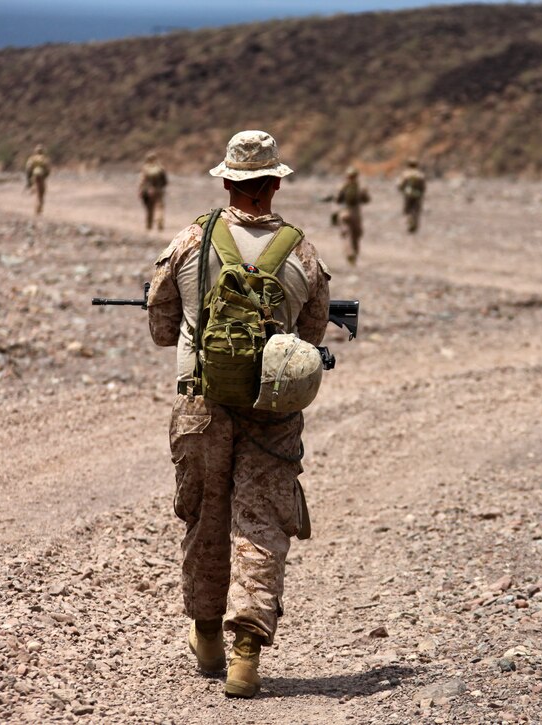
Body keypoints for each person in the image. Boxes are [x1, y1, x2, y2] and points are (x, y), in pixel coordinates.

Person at [146, 130, 331, 699]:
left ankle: (205, 636)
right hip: (271, 414)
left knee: (204, 516)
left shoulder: (189, 242)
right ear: (275, 182)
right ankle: (246, 657)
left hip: (200, 404)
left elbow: (159, 328)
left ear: (227, 180)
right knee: (262, 524)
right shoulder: (302, 253)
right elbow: (310, 338)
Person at [334, 166, 370, 265]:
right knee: (356, 235)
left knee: (346, 234)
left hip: (344, 213)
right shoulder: (361, 187)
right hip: (355, 214)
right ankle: (355, 253)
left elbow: (337, 200)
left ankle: (349, 253)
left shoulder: (342, 186)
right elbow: (367, 200)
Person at [139, 151, 169, 231]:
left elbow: (142, 181)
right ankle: (160, 223)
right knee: (159, 208)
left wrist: (140, 190)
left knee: (149, 209)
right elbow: (165, 181)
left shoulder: (145, 168)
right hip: (159, 191)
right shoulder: (160, 168)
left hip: (149, 191)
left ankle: (149, 225)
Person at [396, 158, 426, 233]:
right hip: (417, 194)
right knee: (416, 210)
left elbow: (400, 184)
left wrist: (401, 190)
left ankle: (410, 224)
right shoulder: (420, 175)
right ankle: (414, 224)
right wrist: (421, 193)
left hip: (408, 194)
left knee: (408, 209)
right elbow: (423, 186)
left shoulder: (405, 174)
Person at [24, 144, 51, 215]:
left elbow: (28, 168)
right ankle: (40, 208)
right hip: (42, 176)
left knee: (37, 192)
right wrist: (45, 176)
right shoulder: (44, 158)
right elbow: (48, 169)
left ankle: (36, 208)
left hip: (35, 176)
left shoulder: (32, 158)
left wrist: (28, 179)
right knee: (42, 192)